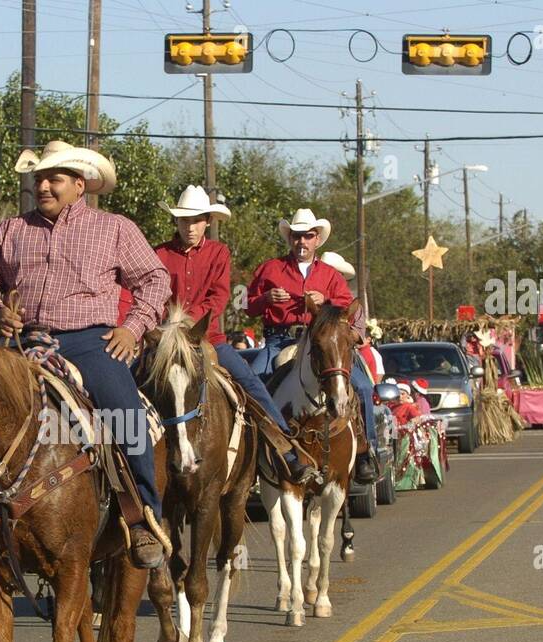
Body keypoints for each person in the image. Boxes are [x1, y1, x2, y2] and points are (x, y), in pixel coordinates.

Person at [0, 140, 171, 569]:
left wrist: (132, 329)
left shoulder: (115, 228)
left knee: (124, 411)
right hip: (22, 342)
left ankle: (141, 518)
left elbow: (154, 279)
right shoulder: (10, 230)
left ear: (80, 185)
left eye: (53, 178)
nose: (43, 185)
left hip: (91, 342)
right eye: (39, 178)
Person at [152, 185, 313, 483]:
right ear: (176, 221)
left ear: (207, 222)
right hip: (166, 344)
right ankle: (125, 465)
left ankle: (288, 454)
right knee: (133, 382)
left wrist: (187, 323)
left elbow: (219, 297)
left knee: (251, 384)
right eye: (185, 220)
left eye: (197, 220)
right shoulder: (159, 254)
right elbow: (152, 294)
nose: (190, 226)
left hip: (208, 340)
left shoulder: (218, 253)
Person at [248, 223, 378, 482]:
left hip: (323, 342)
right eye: (297, 236)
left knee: (362, 387)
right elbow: (247, 305)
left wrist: (326, 302)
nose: (302, 242)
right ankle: (250, 458)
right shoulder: (270, 269)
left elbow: (350, 310)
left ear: (317, 239)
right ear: (290, 238)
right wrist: (266, 299)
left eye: (308, 236)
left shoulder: (330, 275)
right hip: (280, 339)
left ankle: (366, 453)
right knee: (251, 385)